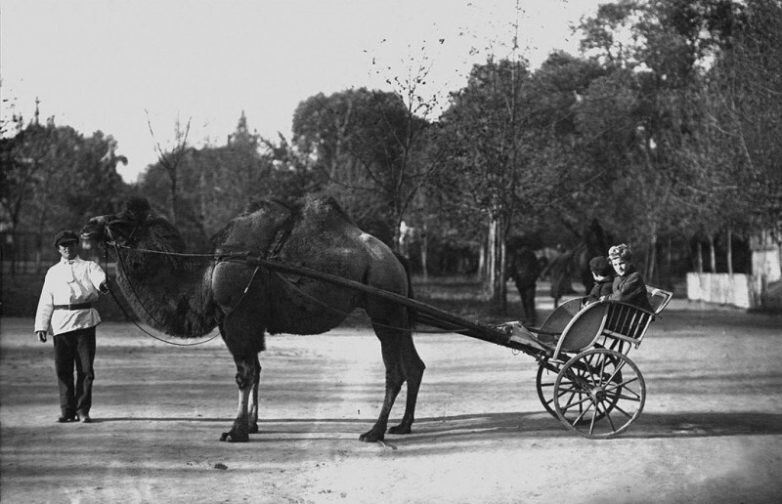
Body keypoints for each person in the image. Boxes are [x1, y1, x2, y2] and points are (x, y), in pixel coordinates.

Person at [34, 230, 109, 423]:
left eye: (71, 244)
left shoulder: (89, 266)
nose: (67, 248)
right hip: (61, 324)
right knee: (63, 370)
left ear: (77, 245)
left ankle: (83, 410)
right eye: (63, 245)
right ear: (58, 249)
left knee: (86, 370)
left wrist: (103, 285)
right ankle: (67, 411)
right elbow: (45, 300)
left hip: (85, 321)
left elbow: (99, 278)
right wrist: (41, 326)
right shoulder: (53, 272)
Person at [604, 243, 652, 312]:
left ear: (629, 262)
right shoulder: (618, 277)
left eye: (621, 263)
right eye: (615, 265)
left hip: (635, 316)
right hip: (623, 313)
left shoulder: (635, 277)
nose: (619, 268)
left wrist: (606, 298)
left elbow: (620, 296)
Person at [507, 246, 541, 325]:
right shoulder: (516, 256)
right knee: (525, 300)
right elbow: (512, 268)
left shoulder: (531, 255)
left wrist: (533, 277)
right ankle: (528, 318)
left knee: (529, 300)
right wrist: (514, 277)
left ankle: (532, 319)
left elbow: (537, 267)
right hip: (520, 282)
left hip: (530, 282)